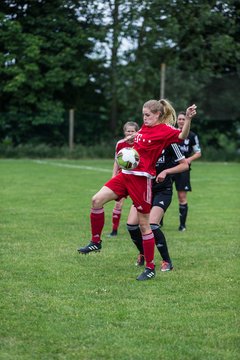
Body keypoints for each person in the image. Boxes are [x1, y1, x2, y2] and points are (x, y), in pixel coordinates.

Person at [77, 99, 197, 281]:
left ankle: (150, 267)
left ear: (158, 114)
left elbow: (182, 136)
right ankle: (96, 242)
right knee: (96, 200)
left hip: (141, 180)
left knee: (144, 225)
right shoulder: (144, 127)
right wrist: (132, 141)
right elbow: (142, 142)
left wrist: (187, 119)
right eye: (143, 114)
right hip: (125, 175)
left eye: (148, 115)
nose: (144, 117)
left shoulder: (165, 130)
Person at [127, 143, 189, 271]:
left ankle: (167, 261)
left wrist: (166, 171)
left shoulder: (170, 143)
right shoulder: (142, 141)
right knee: (131, 225)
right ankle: (143, 253)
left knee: (153, 224)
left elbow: (184, 165)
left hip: (162, 191)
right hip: (144, 190)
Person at [108, 121, 139, 237]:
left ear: (137, 132)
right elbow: (117, 161)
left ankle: (141, 226)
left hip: (137, 178)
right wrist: (113, 176)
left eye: (133, 131)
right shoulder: (120, 144)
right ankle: (114, 231)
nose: (130, 133)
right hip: (123, 177)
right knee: (118, 204)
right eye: (128, 131)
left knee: (138, 204)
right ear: (124, 132)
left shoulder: (140, 143)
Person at [172, 111, 201, 231]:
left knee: (182, 197)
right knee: (162, 193)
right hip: (169, 167)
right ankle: (158, 222)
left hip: (183, 170)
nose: (181, 121)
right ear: (176, 120)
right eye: (179, 119)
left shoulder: (192, 136)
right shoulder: (171, 133)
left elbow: (198, 152)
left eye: (183, 119)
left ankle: (182, 225)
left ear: (187, 121)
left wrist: (188, 159)